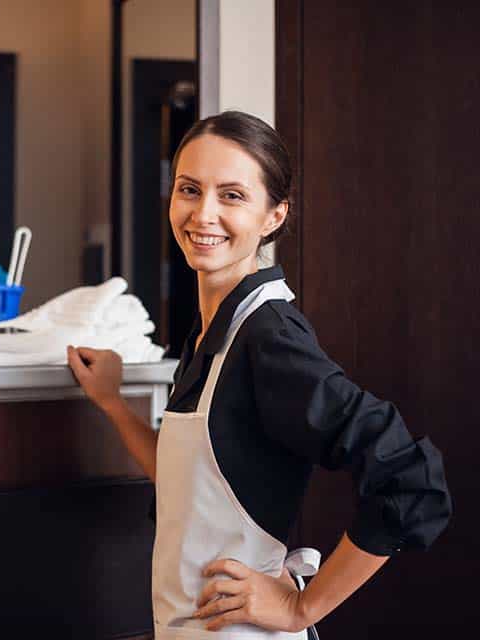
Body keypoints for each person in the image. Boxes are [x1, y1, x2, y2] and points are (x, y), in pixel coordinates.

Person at [67, 111, 451, 639]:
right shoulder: (213, 331)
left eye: (232, 195)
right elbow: (188, 487)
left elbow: (411, 480)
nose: (203, 214)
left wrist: (301, 608)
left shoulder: (269, 338)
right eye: (189, 189)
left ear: (274, 215)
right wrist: (113, 403)